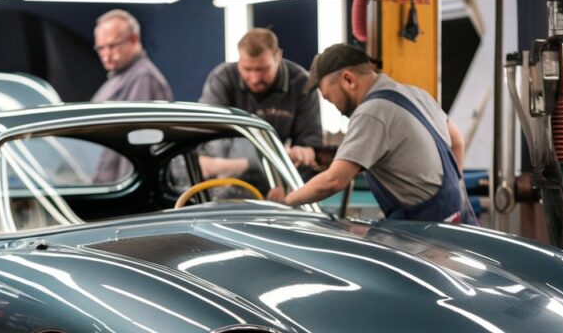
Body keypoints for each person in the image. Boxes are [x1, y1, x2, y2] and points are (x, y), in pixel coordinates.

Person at [268, 44, 477, 225]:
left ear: (348, 79)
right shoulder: (415, 94)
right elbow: (457, 141)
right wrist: (452, 193)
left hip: (428, 229)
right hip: (460, 214)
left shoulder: (371, 112)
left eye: (329, 99)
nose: (335, 108)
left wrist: (286, 201)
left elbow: (334, 181)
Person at [199, 28, 321, 169]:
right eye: (247, 69)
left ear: (278, 56)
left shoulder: (301, 83)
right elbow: (211, 136)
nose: (255, 78)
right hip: (226, 170)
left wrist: (303, 152)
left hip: (277, 169)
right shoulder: (222, 79)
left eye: (262, 69)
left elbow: (310, 141)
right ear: (239, 60)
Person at [91, 9, 173, 102]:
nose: (106, 55)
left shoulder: (143, 78)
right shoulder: (119, 78)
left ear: (133, 39)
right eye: (100, 48)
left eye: (112, 46)